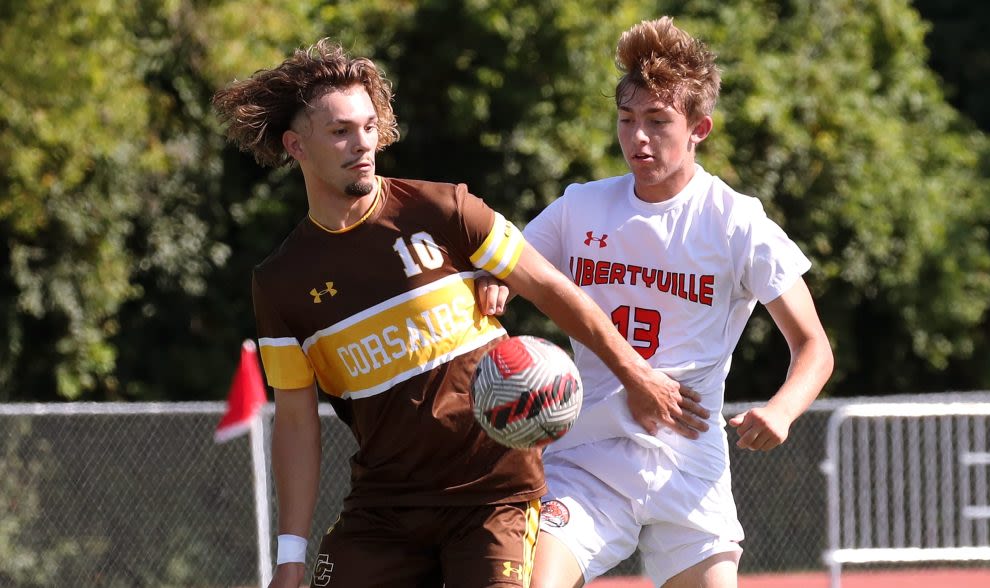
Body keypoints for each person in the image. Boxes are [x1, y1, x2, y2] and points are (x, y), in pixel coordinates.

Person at [210, 39, 710, 588]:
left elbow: (550, 287)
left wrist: (634, 373)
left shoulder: (441, 208)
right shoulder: (280, 282)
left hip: (494, 496)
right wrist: (289, 556)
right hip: (385, 509)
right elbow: (297, 421)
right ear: (295, 145)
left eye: (369, 127)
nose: (363, 144)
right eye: (340, 131)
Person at [479, 16, 834, 588]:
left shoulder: (736, 221)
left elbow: (813, 346)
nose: (638, 138)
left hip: (688, 467)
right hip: (587, 455)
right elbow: (503, 260)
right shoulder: (579, 208)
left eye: (657, 121)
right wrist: (491, 275)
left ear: (699, 128)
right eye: (626, 120)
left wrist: (782, 411)